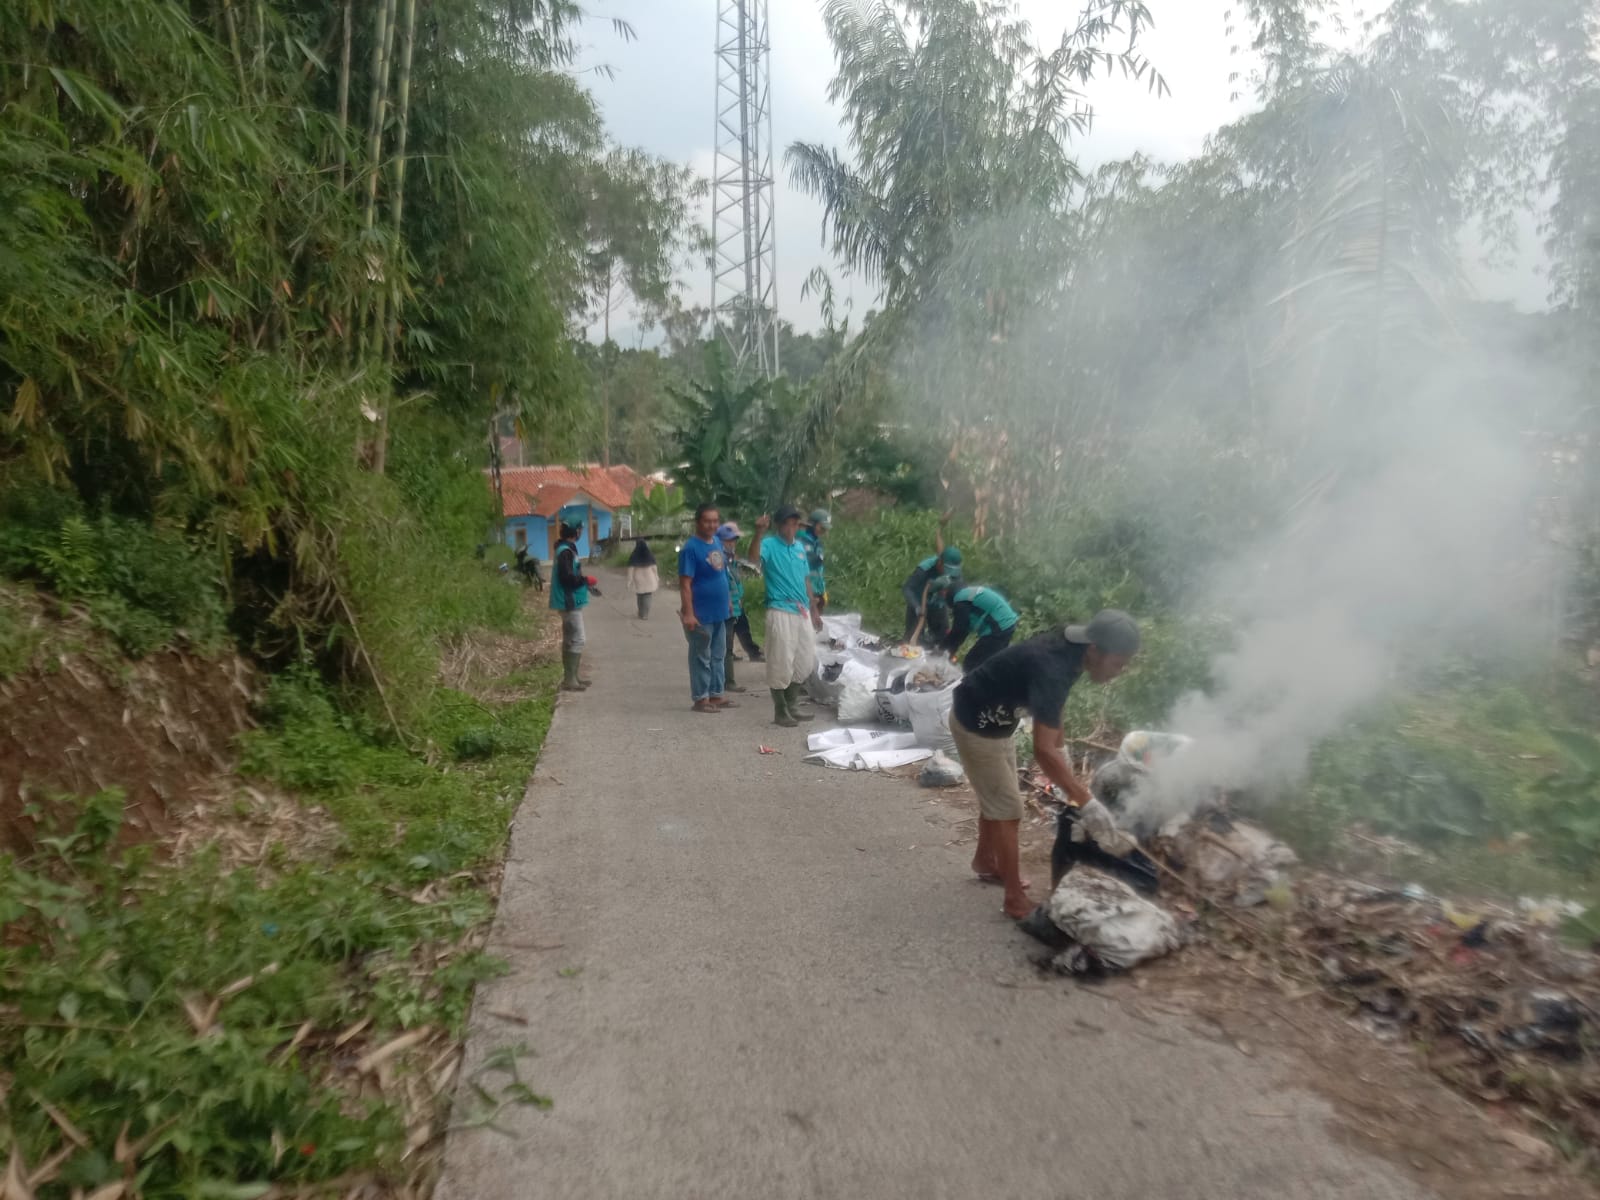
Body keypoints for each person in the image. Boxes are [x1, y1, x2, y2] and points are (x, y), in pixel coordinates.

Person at [947, 610, 1140, 919]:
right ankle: (1013, 900)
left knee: (996, 798)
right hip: (975, 724)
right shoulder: (1052, 665)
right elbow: (1041, 751)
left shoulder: (1075, 650)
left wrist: (1060, 749)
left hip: (998, 722)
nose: (1121, 670)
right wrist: (1086, 801)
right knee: (1008, 809)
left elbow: (1053, 707)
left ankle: (986, 862)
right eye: (1118, 663)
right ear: (1095, 651)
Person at [750, 505, 822, 727]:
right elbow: (753, 559)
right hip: (780, 610)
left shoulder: (800, 548)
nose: (791, 528)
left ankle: (792, 705)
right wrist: (759, 533)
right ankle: (780, 710)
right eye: (786, 524)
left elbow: (806, 579)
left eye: (794, 524)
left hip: (801, 611)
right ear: (779, 525)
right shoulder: (770, 545)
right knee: (781, 660)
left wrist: (814, 609)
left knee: (805, 660)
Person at [678, 503, 735, 715]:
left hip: (720, 610)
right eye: (707, 521)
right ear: (698, 522)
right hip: (700, 613)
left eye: (715, 521)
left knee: (718, 654)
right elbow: (685, 584)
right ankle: (700, 699)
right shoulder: (690, 548)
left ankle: (716, 694)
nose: (711, 525)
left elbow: (722, 575)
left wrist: (727, 600)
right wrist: (689, 613)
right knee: (701, 655)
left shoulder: (717, 543)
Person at [551, 520, 601, 692]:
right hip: (568, 601)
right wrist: (585, 580)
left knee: (570, 639)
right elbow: (566, 578)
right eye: (580, 529)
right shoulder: (565, 551)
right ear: (575, 531)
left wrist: (586, 584)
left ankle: (573, 677)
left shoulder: (566, 549)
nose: (581, 533)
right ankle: (570, 680)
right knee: (578, 639)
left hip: (569, 600)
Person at [902, 511, 962, 642]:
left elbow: (959, 590)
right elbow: (907, 588)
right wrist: (917, 606)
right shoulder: (925, 569)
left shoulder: (953, 569)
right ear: (940, 562)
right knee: (913, 639)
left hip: (938, 604)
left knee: (942, 639)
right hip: (918, 604)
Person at [939, 582, 1020, 672]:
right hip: (1007, 624)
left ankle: (972, 685)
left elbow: (959, 630)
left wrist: (943, 650)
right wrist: (948, 649)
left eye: (944, 594)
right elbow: (962, 631)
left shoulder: (960, 601)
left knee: (972, 663)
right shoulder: (967, 595)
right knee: (991, 661)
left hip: (999, 627)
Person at [715, 522, 752, 695]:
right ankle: (727, 682)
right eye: (729, 540)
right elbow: (721, 583)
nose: (732, 543)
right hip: (723, 609)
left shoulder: (731, 559)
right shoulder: (719, 558)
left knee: (725, 647)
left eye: (734, 540)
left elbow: (735, 583)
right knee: (725, 648)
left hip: (733, 610)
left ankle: (724, 681)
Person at [799, 509, 831, 614]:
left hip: (818, 592)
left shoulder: (818, 544)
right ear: (813, 524)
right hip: (805, 592)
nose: (823, 531)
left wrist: (822, 590)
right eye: (821, 528)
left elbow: (819, 569)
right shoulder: (801, 542)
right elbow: (806, 564)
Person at [626, 539, 658, 619]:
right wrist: (656, 576)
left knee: (640, 596)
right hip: (649, 577)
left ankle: (641, 612)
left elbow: (631, 569)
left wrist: (629, 580)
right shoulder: (649, 554)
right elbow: (654, 567)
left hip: (638, 578)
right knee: (648, 596)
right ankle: (645, 614)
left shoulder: (634, 555)